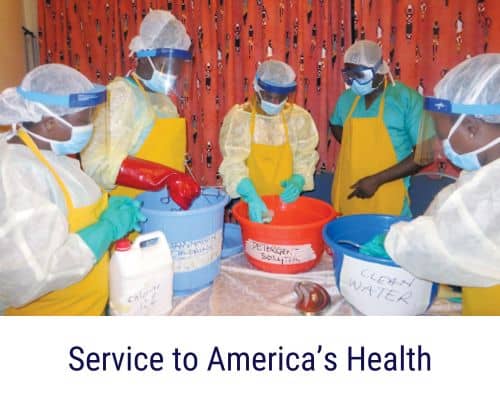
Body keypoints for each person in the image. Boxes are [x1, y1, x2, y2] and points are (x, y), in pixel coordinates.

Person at [0, 64, 144, 315]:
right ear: (48, 123)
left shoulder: (51, 153)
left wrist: (106, 207)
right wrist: (107, 229)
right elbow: (34, 276)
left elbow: (67, 210)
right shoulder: (17, 174)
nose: (89, 126)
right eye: (84, 119)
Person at [384, 53, 500, 315]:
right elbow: (449, 209)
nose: (438, 147)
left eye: (441, 134)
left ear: (471, 127)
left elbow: (438, 244)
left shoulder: (492, 191)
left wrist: (390, 241)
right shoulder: (484, 176)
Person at [80, 9, 199, 210]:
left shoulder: (164, 102)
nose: (175, 74)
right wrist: (163, 177)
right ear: (144, 57)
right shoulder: (119, 96)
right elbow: (97, 165)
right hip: (130, 212)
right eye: (166, 65)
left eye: (178, 66)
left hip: (166, 207)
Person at [330, 40, 423, 216]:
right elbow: (335, 124)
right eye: (349, 75)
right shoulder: (347, 99)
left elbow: (424, 154)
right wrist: (357, 146)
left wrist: (377, 180)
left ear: (380, 70)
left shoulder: (406, 99)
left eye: (360, 75)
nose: (354, 81)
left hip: (389, 197)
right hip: (350, 194)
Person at [219, 60, 319, 223]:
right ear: (257, 89)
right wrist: (250, 195)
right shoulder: (239, 119)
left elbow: (305, 156)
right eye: (269, 96)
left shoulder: (298, 118)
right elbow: (232, 163)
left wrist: (299, 179)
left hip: (287, 205)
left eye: (280, 98)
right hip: (252, 204)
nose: (274, 102)